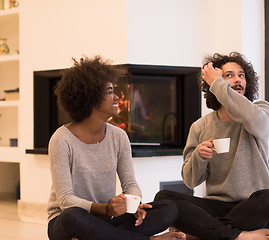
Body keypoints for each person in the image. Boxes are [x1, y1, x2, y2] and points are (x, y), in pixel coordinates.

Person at [47, 56, 186, 240]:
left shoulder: (118, 136)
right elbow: (66, 201)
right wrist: (106, 208)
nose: (118, 97)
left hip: (105, 222)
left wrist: (133, 204)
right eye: (111, 91)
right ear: (91, 97)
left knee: (167, 209)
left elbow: (130, 184)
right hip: (68, 223)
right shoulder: (61, 139)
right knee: (71, 216)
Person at [155, 52, 269, 240]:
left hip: (253, 205)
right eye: (228, 75)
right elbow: (191, 181)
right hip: (216, 206)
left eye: (241, 75)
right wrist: (199, 156)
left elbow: (250, 116)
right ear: (213, 85)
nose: (238, 80)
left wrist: (218, 83)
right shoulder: (200, 126)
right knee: (163, 199)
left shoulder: (261, 110)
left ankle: (200, 234)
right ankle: (239, 236)